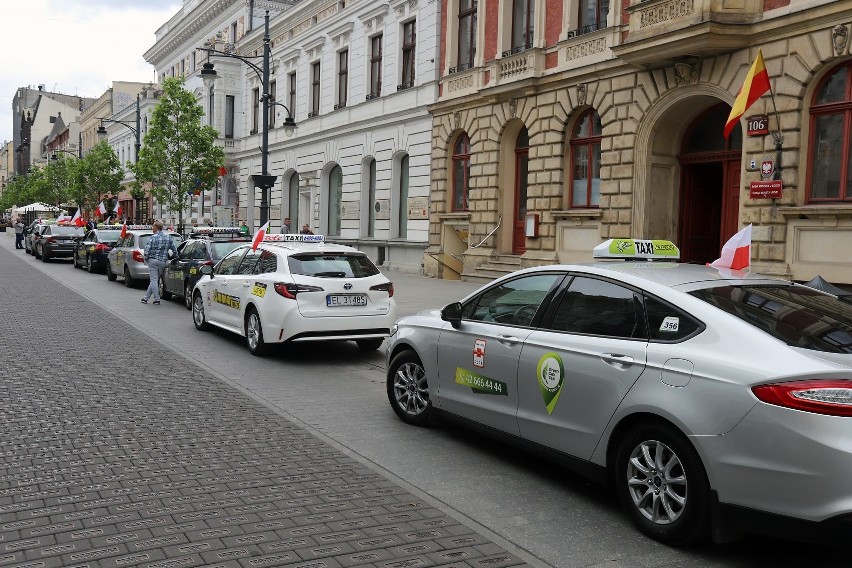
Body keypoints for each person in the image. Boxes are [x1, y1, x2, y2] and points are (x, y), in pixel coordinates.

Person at [141, 221, 178, 305]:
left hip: (153, 260)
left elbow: (147, 251)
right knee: (155, 279)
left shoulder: (152, 237)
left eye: (153, 227)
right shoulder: (168, 237)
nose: (152, 228)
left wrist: (146, 259)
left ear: (156, 227)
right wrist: (176, 257)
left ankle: (157, 299)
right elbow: (174, 249)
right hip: (163, 261)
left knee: (154, 279)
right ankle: (145, 298)